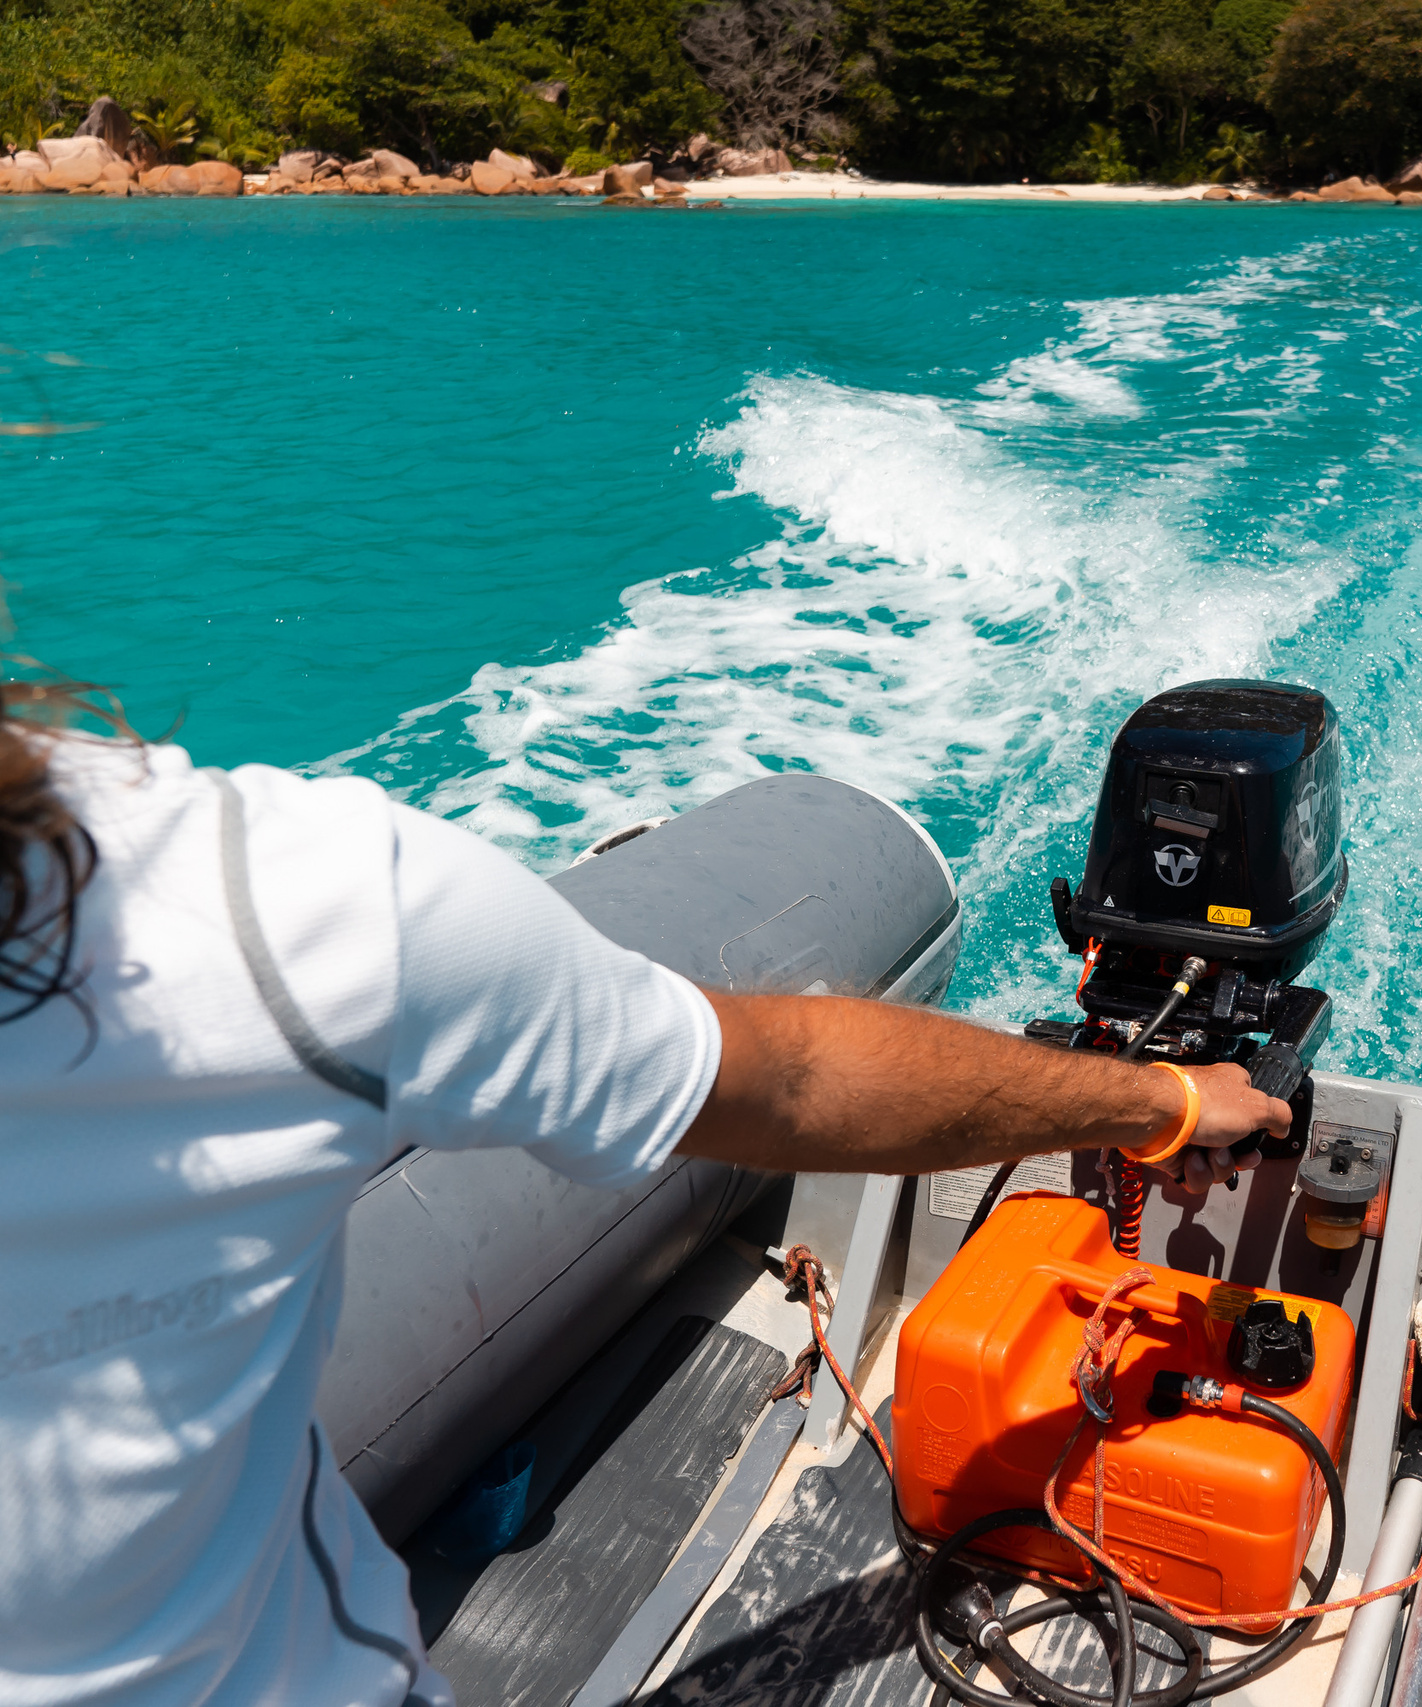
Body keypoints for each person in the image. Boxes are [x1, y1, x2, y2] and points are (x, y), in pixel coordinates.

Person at [0, 675, 1291, 1707]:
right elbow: (788, 1082)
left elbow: (793, 1080)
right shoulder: (258, 900)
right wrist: (1169, 1105)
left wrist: (1163, 1104)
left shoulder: (260, 905)